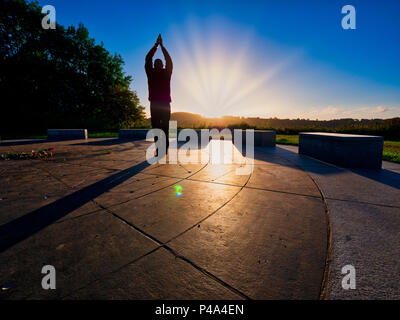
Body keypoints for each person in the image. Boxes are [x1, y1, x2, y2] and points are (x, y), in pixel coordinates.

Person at [145, 34, 173, 156]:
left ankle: (162, 149)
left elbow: (148, 58)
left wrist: (157, 46)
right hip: (161, 104)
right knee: (161, 128)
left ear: (160, 65)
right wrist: (160, 46)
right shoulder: (159, 73)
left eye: (157, 62)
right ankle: (161, 149)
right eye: (156, 62)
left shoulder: (158, 73)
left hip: (159, 104)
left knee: (160, 127)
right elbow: (168, 60)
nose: (156, 63)